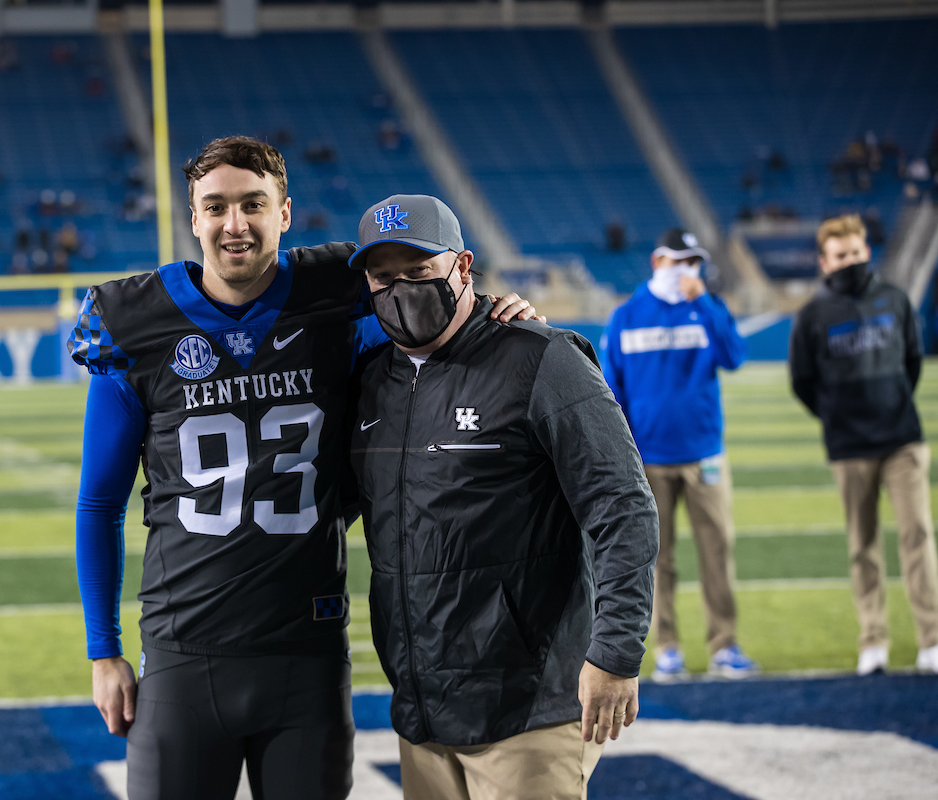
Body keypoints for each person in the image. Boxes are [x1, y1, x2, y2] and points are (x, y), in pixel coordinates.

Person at [66, 137, 535, 800]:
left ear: (284, 213)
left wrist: (492, 313)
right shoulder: (133, 321)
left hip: (306, 652)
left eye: (253, 204)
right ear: (193, 218)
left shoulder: (339, 292)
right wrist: (102, 650)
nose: (235, 223)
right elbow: (99, 504)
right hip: (181, 649)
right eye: (216, 206)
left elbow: (428, 298)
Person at [348, 195, 659, 800]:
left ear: (463, 267)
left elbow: (622, 507)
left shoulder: (541, 358)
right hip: (421, 712)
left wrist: (616, 652)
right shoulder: (373, 382)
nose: (401, 290)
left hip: (528, 708)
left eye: (419, 271)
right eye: (384, 278)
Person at [601, 228, 758, 682]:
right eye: (678, 260)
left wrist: (704, 301)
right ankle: (667, 648)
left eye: (693, 261)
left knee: (717, 552)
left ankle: (724, 645)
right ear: (657, 262)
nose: (686, 269)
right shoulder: (626, 316)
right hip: (649, 459)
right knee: (657, 558)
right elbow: (613, 391)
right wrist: (625, 455)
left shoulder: (707, 308)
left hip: (704, 453)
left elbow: (734, 356)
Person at [788, 214, 938, 676]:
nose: (849, 261)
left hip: (901, 439)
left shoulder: (895, 299)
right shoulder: (813, 315)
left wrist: (890, 403)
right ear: (824, 262)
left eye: (855, 252)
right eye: (840, 256)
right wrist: (838, 417)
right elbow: (803, 381)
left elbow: (912, 361)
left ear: (866, 251)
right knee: (863, 545)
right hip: (849, 447)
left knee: (917, 536)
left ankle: (932, 640)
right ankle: (873, 640)